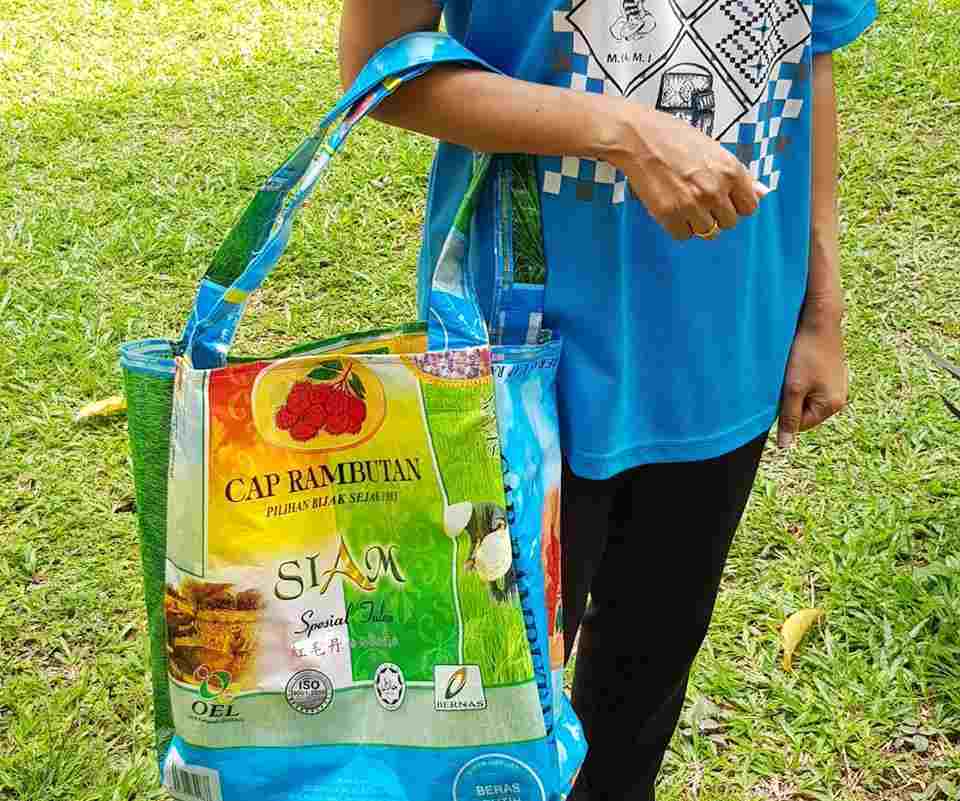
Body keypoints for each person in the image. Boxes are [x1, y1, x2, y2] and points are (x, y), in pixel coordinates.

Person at [339, 0, 877, 797]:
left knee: (640, 697)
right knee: (486, 708)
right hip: (520, 351)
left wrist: (822, 309)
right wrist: (622, 131)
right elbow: (380, 71)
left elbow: (811, 50)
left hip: (727, 338)